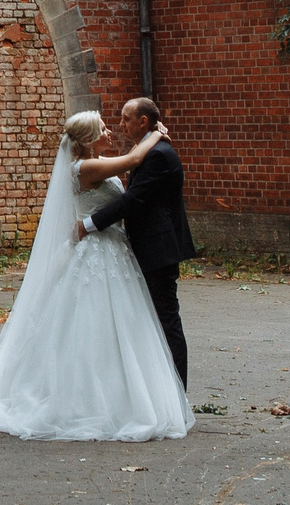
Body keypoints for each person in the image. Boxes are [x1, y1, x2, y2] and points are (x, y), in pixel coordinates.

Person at [0, 106, 193, 442]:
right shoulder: (86, 167)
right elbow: (131, 163)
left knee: (117, 329)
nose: (110, 131)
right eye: (102, 129)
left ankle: (128, 396)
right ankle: (94, 401)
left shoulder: (93, 164)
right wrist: (157, 134)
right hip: (97, 252)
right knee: (91, 327)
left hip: (111, 251)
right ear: (87, 140)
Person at [72, 97, 198, 386]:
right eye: (110, 123)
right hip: (138, 248)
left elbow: (134, 199)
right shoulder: (145, 150)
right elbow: (130, 162)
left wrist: (88, 225)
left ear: (142, 121)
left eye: (126, 119)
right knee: (147, 320)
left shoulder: (156, 154)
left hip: (158, 250)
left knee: (166, 321)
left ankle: (177, 390)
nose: (119, 125)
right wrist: (154, 133)